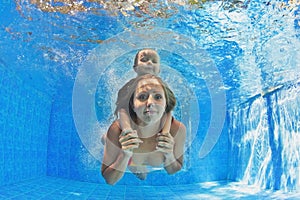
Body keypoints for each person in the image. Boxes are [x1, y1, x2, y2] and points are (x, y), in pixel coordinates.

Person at [101, 74, 186, 185]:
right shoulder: (117, 130)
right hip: (129, 155)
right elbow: (110, 180)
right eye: (142, 97)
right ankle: (104, 139)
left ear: (166, 103)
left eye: (158, 97)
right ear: (132, 105)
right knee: (107, 140)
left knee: (142, 176)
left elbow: (173, 170)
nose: (150, 103)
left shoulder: (176, 129)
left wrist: (169, 155)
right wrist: (124, 154)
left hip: (140, 159)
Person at [101, 48, 172, 144]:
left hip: (150, 123)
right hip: (131, 122)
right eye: (144, 60)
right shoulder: (129, 86)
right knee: (105, 139)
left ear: (159, 70)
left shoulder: (161, 87)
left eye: (154, 61)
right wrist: (127, 129)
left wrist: (165, 132)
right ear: (135, 67)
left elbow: (168, 111)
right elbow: (122, 110)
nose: (150, 63)